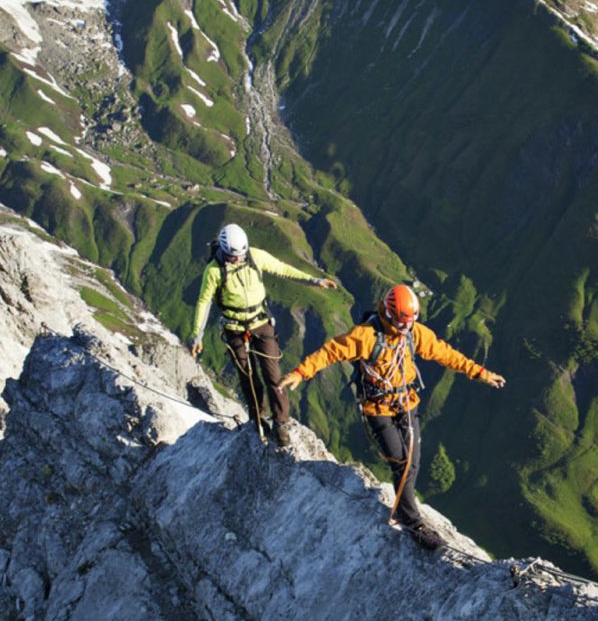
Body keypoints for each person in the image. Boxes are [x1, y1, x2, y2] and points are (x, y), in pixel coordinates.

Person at [280, 283, 504, 550]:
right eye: (401, 323)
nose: (404, 328)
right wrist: (300, 372)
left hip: (406, 402)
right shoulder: (365, 337)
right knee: (401, 459)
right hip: (378, 407)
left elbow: (445, 353)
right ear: (387, 313)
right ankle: (411, 520)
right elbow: (330, 352)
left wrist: (480, 372)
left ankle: (406, 514)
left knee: (412, 461)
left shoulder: (414, 334)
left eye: (409, 322)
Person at [188, 223, 339, 445]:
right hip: (235, 327)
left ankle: (281, 423)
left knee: (273, 374)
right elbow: (204, 301)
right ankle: (258, 420)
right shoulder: (213, 270)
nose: (238, 259)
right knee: (248, 377)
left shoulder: (254, 256)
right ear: (224, 251)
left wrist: (315, 281)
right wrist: (196, 336)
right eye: (233, 256)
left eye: (240, 255)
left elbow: (283, 268)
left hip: (260, 321)